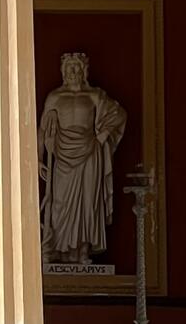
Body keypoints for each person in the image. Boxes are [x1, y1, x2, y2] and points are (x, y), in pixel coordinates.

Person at [38, 51, 126, 264]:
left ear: (83, 70)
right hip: (62, 154)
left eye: (76, 66)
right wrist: (39, 159)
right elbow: (42, 130)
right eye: (69, 67)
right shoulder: (55, 97)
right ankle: (59, 250)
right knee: (59, 203)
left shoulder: (94, 95)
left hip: (90, 154)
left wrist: (103, 134)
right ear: (63, 71)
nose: (72, 71)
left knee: (88, 203)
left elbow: (119, 114)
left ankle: (83, 252)